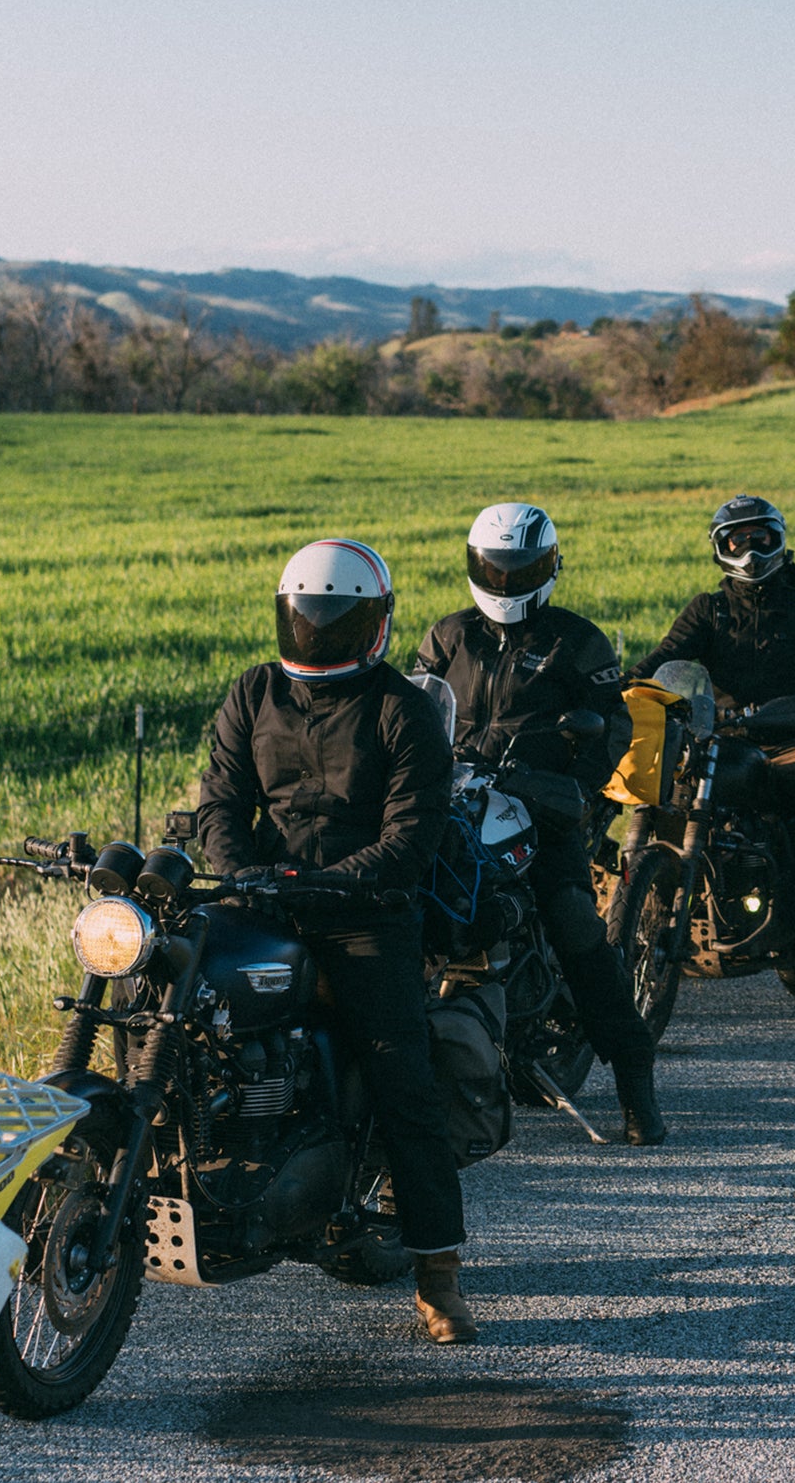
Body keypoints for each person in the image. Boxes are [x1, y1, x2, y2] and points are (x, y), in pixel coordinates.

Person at [197, 538, 477, 1346]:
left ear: (374, 624)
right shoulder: (254, 692)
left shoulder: (401, 707)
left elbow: (410, 834)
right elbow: (220, 800)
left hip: (366, 913)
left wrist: (332, 881)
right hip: (264, 900)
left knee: (402, 1077)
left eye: (335, 619)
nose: (319, 632)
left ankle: (436, 1274)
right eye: (308, 618)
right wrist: (243, 872)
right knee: (180, 1012)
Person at [416, 503, 665, 1144]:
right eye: (493, 568)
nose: (504, 580)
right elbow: (410, 716)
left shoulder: (577, 642)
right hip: (453, 801)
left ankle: (635, 1081)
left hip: (542, 809)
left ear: (548, 567)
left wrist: (577, 793)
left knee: (576, 924)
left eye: (518, 568)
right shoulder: (448, 636)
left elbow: (611, 726)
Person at [628, 494, 795, 939]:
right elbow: (665, 658)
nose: (750, 551)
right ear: (720, 550)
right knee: (667, 801)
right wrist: (622, 686)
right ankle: (657, 905)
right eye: (737, 541)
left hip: (791, 743)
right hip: (718, 742)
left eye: (760, 538)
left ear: (778, 541)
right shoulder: (708, 609)